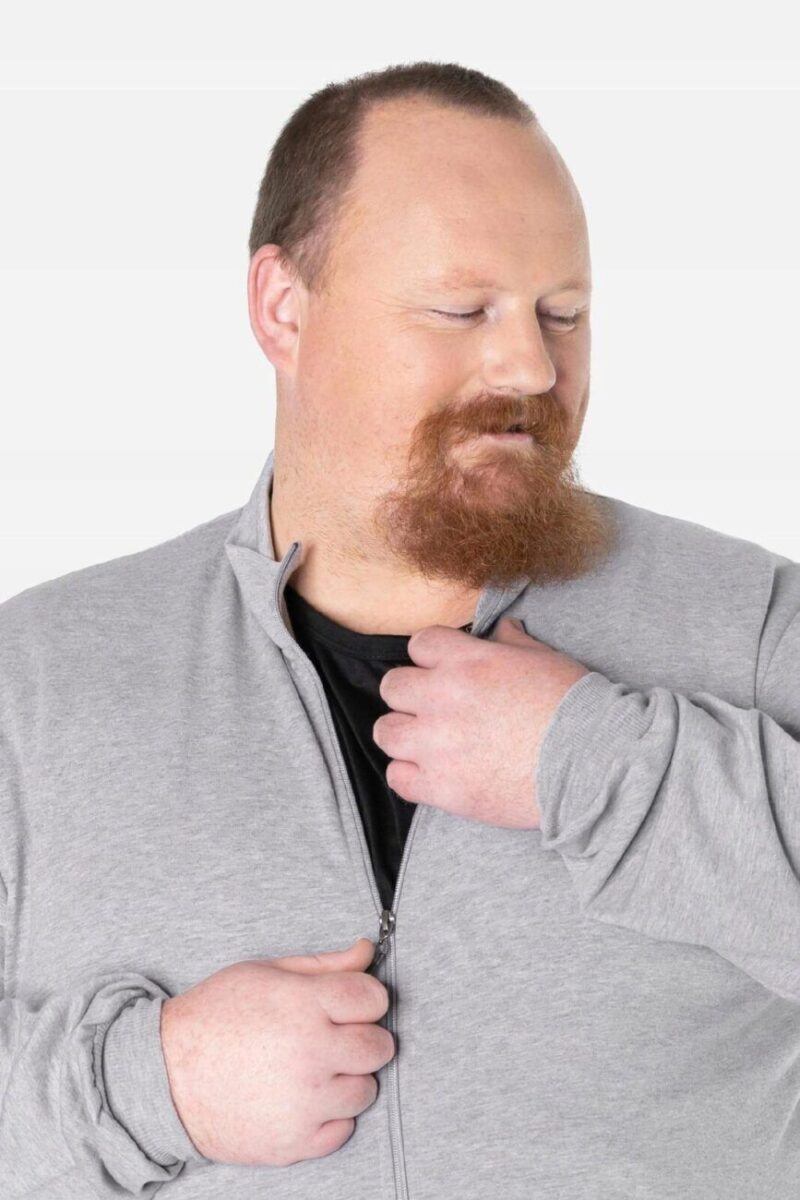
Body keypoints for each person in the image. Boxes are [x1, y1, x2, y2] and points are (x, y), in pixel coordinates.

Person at [2, 60, 799, 1200]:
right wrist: (148, 1085)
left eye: (563, 313)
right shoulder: (35, 683)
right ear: (283, 308)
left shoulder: (750, 625)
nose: (531, 366)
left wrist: (602, 765)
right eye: (460, 310)